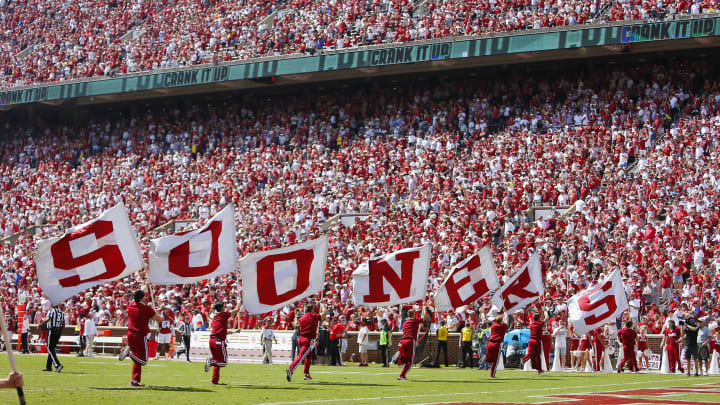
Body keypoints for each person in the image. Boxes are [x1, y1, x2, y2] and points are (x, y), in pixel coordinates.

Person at [119, 290, 162, 387]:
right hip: (140, 335)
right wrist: (155, 313)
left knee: (137, 360)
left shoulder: (130, 306)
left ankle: (134, 380)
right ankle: (128, 353)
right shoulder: (146, 308)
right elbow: (158, 319)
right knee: (143, 360)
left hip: (130, 334)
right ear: (142, 298)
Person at [204, 301, 241, 385]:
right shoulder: (223, 315)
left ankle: (214, 381)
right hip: (219, 342)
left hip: (212, 341)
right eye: (224, 306)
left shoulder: (215, 317)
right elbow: (237, 310)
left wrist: (235, 331)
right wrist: (239, 301)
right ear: (221, 308)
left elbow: (222, 331)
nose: (225, 307)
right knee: (223, 361)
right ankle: (211, 361)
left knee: (218, 362)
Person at [286, 304, 321, 382]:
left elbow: (297, 326)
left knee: (308, 357)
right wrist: (322, 305)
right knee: (301, 356)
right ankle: (291, 369)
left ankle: (307, 374)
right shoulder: (312, 315)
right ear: (312, 310)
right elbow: (323, 314)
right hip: (308, 339)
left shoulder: (302, 317)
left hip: (301, 338)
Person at [397, 308, 429, 380]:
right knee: (410, 361)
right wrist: (424, 308)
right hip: (410, 341)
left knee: (405, 358)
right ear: (414, 314)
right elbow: (424, 318)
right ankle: (402, 375)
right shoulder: (415, 321)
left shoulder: (405, 323)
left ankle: (400, 360)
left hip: (402, 341)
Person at [40, 303, 65, 373]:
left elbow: (48, 319)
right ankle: (48, 367)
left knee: (50, 348)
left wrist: (40, 325)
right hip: (58, 331)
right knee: (52, 349)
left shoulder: (52, 311)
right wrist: (60, 332)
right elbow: (63, 324)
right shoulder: (61, 312)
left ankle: (58, 365)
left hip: (52, 330)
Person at [486, 313, 509, 378]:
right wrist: (506, 313)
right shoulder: (503, 326)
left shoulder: (493, 326)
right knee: (496, 361)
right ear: (501, 321)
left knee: (490, 358)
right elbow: (507, 321)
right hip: (497, 344)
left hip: (490, 343)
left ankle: (487, 359)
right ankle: (492, 374)